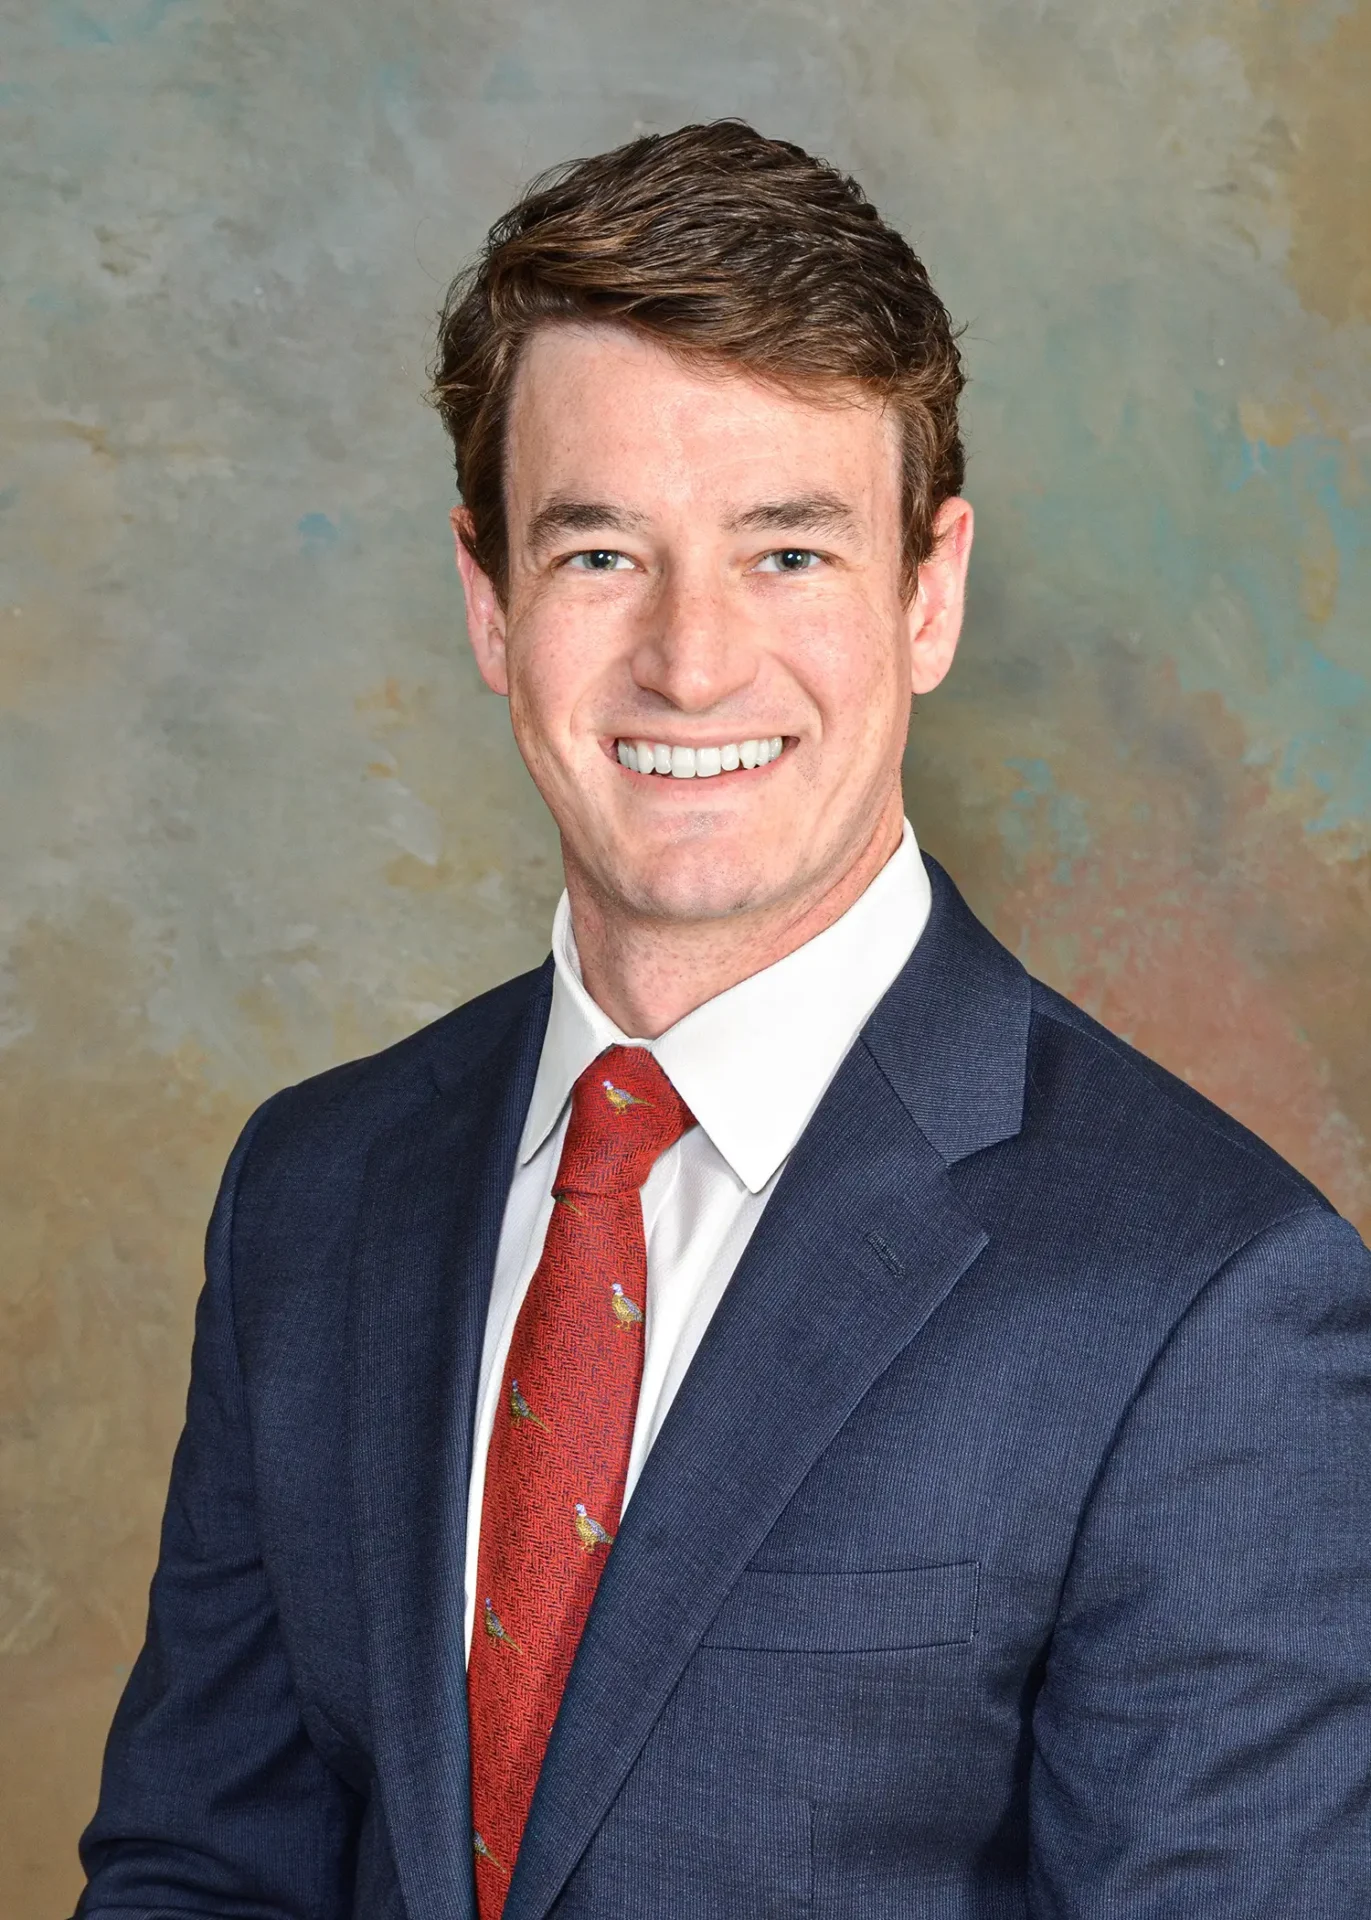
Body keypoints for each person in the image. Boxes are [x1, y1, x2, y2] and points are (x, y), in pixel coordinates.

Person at [74, 120, 1371, 1920]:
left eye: (786, 554)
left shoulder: (1211, 1301)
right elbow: (204, 1870)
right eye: (601, 554)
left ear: (929, 593)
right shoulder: (315, 1190)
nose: (692, 664)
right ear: (487, 601)